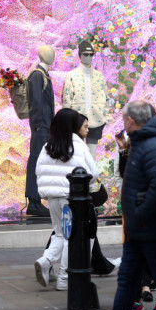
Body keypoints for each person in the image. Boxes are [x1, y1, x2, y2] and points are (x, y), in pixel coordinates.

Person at [111, 101, 156, 310]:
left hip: (151, 230)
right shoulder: (140, 143)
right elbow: (131, 177)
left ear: (130, 120)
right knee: (127, 282)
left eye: (123, 119)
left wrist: (139, 214)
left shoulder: (155, 145)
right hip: (137, 231)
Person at [34, 108, 98, 291]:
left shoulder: (47, 146)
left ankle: (46, 261)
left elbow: (38, 170)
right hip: (71, 199)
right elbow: (92, 173)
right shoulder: (78, 145)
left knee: (60, 234)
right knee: (72, 238)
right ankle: (63, 278)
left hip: (52, 198)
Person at [62, 41, 108, 158]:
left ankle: (91, 176)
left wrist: (105, 117)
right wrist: (67, 120)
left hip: (97, 120)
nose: (88, 57)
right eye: (85, 54)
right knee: (77, 153)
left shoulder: (99, 76)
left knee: (92, 156)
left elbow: (106, 98)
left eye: (91, 54)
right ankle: (78, 175)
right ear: (79, 55)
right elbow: (67, 99)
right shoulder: (71, 75)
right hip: (77, 120)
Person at [25, 45, 55, 217]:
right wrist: (38, 124)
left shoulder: (44, 75)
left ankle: (36, 201)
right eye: (49, 53)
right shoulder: (37, 75)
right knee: (36, 160)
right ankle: (33, 202)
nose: (53, 55)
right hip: (40, 126)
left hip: (45, 126)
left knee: (40, 161)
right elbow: (36, 102)